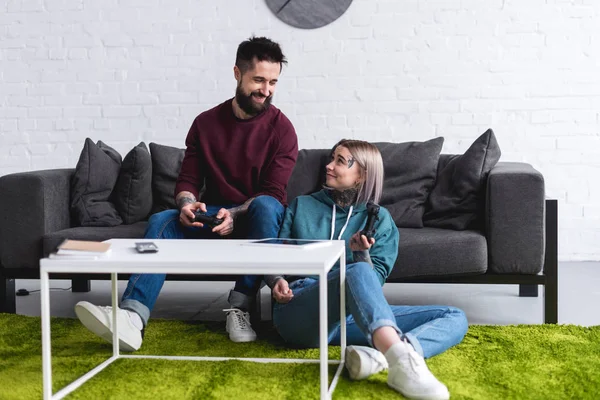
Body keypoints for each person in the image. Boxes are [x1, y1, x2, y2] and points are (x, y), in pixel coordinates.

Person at [74, 36, 298, 349]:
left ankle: (240, 307)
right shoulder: (206, 124)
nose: (266, 90)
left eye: (273, 82)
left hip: (256, 222)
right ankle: (132, 317)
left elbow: (273, 192)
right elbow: (188, 180)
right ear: (237, 73)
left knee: (266, 206)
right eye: (258, 80)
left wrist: (235, 214)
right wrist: (187, 204)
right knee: (163, 219)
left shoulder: (282, 130)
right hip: (212, 216)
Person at [265, 140, 468, 400]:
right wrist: (276, 280)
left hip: (349, 317)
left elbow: (374, 284)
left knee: (454, 316)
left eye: (340, 161)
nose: (328, 166)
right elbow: (274, 254)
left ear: (362, 175)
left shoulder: (379, 220)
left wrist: (361, 254)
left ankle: (382, 356)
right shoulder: (302, 205)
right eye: (332, 158)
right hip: (300, 310)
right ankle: (397, 359)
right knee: (356, 271)